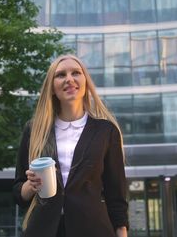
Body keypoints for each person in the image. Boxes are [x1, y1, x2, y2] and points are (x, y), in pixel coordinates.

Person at [13, 55, 129, 237]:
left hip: (93, 229)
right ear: (52, 87)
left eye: (76, 72)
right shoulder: (35, 129)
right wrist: (30, 185)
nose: (69, 79)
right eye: (60, 75)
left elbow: (117, 196)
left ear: (85, 81)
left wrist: (122, 232)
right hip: (43, 229)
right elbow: (18, 193)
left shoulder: (106, 131)